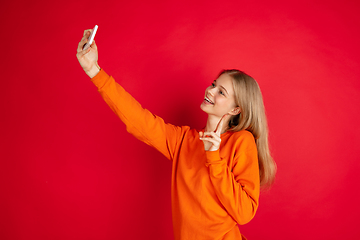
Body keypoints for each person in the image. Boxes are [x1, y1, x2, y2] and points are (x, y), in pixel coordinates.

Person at [76, 29, 276, 240]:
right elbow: (138, 120)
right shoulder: (183, 140)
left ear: (236, 109)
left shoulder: (241, 141)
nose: (210, 91)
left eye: (221, 92)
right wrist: (94, 71)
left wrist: (214, 159)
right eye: (214, 85)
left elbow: (244, 213)